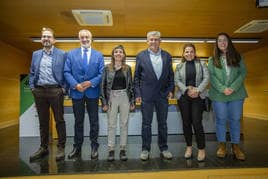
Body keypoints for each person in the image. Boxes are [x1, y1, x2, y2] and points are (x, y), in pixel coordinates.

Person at [64, 29, 104, 160]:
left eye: (87, 37)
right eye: (82, 37)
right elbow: (66, 72)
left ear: (91, 39)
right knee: (78, 122)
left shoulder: (99, 55)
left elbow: (101, 74)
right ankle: (77, 147)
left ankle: (94, 146)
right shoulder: (71, 54)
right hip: (77, 93)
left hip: (92, 92)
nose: (85, 39)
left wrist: (90, 83)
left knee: (94, 121)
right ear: (79, 39)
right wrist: (76, 85)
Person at [134, 31, 174, 161]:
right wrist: (138, 94)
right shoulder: (141, 56)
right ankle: (145, 149)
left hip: (162, 96)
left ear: (160, 41)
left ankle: (164, 148)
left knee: (163, 124)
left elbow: (171, 77)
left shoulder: (167, 56)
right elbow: (136, 78)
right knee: (146, 124)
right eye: (151, 39)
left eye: (156, 39)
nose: (153, 42)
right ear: (147, 41)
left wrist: (170, 90)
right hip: (147, 96)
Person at [208, 32, 248, 160]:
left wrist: (233, 88)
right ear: (217, 44)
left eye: (224, 40)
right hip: (219, 95)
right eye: (219, 41)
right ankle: (222, 146)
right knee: (220, 120)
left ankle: (236, 146)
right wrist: (223, 89)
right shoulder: (212, 59)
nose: (222, 43)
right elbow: (212, 77)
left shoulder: (238, 57)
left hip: (236, 94)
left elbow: (243, 73)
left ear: (229, 42)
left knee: (235, 120)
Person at [29, 27, 67, 162]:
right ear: (41, 39)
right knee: (43, 121)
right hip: (39, 91)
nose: (46, 39)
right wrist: (33, 87)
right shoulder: (36, 54)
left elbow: (66, 72)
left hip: (55, 91)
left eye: (48, 36)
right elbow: (32, 72)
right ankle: (43, 147)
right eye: (44, 36)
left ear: (54, 40)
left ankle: (61, 147)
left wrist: (63, 88)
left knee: (59, 120)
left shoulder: (62, 54)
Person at [174, 43, 209, 162]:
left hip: (198, 97)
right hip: (184, 96)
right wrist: (186, 90)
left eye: (191, 51)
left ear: (195, 53)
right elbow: (176, 80)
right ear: (183, 53)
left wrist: (197, 90)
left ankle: (201, 148)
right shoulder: (179, 66)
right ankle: (189, 147)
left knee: (197, 122)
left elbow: (206, 78)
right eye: (187, 52)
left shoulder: (202, 64)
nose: (189, 54)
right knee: (186, 122)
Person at [100, 45, 135, 161]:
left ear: (124, 55)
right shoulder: (107, 68)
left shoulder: (127, 68)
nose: (118, 54)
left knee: (124, 124)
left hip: (125, 96)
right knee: (111, 124)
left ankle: (123, 149)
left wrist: (132, 101)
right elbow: (103, 86)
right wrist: (104, 102)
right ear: (113, 54)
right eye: (116, 52)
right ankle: (111, 149)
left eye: (121, 52)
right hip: (111, 97)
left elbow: (131, 86)